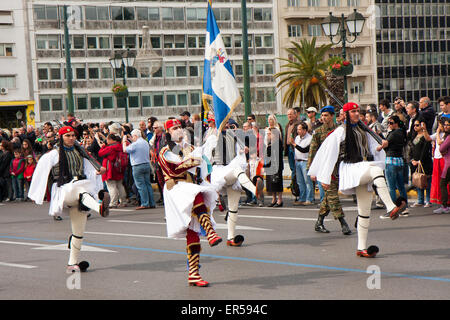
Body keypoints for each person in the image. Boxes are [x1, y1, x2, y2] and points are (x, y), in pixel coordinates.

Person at [308, 102, 406, 258]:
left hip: (362, 166)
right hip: (350, 168)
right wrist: (324, 176)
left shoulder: (363, 130)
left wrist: (381, 146)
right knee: (375, 170)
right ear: (346, 114)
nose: (356, 113)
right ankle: (390, 207)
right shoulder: (340, 131)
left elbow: (371, 147)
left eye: (357, 111)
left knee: (364, 211)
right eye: (353, 111)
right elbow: (328, 153)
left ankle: (361, 248)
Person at [28, 126, 110, 273]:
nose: (71, 138)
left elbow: (88, 171)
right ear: (61, 137)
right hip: (64, 189)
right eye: (67, 136)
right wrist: (37, 194)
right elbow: (41, 171)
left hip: (80, 187)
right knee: (79, 190)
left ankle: (72, 264)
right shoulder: (53, 154)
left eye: (73, 135)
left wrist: (98, 172)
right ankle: (99, 208)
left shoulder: (80, 152)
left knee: (78, 231)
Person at [158, 119, 221, 287]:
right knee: (195, 194)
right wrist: (194, 159)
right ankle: (210, 232)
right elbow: (174, 169)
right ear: (168, 132)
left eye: (180, 127)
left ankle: (194, 274)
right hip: (176, 189)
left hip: (190, 188)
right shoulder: (165, 151)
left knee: (192, 232)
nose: (179, 130)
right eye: (175, 128)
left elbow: (202, 171)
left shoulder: (191, 148)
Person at [209, 120, 258, 247]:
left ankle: (231, 238)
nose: (228, 127)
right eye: (225, 125)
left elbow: (241, 155)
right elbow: (207, 155)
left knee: (233, 208)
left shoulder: (236, 138)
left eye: (230, 125)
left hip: (234, 176)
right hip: (220, 172)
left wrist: (243, 149)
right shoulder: (213, 137)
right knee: (237, 170)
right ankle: (255, 190)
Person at [308, 106, 352, 235]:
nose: (323, 118)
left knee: (328, 197)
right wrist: (312, 171)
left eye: (326, 115)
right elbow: (312, 151)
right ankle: (343, 223)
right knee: (332, 195)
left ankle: (319, 222)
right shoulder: (318, 132)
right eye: (322, 115)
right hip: (326, 169)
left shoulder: (340, 130)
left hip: (340, 167)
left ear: (332, 116)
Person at [376, 115, 408, 218]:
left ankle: (392, 209)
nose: (389, 125)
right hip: (399, 161)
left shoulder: (394, 133)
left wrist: (379, 147)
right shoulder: (402, 133)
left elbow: (385, 143)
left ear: (396, 123)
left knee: (391, 187)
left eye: (391, 123)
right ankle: (404, 207)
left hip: (391, 161)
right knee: (401, 186)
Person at [123, 128, 155, 210]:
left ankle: (145, 203)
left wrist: (124, 141)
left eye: (133, 137)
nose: (132, 138)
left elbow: (125, 150)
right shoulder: (145, 142)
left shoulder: (136, 144)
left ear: (135, 136)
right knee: (148, 184)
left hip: (137, 166)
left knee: (141, 185)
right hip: (146, 164)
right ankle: (151, 203)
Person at [98, 134, 127, 208]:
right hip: (119, 169)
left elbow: (100, 153)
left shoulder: (110, 147)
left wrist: (103, 147)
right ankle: (123, 201)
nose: (106, 141)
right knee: (120, 185)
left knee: (111, 186)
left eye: (107, 139)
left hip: (110, 169)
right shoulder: (120, 146)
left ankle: (113, 203)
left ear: (111, 140)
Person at [410, 119, 433, 208]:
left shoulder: (425, 136)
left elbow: (425, 149)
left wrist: (420, 160)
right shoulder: (415, 136)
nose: (415, 127)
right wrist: (412, 159)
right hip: (415, 162)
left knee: (426, 181)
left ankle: (428, 200)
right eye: (414, 125)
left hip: (425, 162)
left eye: (417, 125)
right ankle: (420, 200)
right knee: (418, 180)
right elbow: (411, 149)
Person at [292, 122, 314, 205]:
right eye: (297, 129)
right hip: (297, 161)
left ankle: (309, 198)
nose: (298, 131)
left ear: (305, 130)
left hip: (305, 161)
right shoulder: (297, 137)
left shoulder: (310, 138)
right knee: (300, 181)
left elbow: (304, 149)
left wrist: (294, 144)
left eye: (300, 129)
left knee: (307, 181)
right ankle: (302, 198)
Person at [430, 118, 448, 207]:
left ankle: (445, 204)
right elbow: (428, 138)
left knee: (444, 183)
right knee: (441, 183)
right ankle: (443, 204)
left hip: (445, 161)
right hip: (441, 160)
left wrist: (437, 133)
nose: (440, 127)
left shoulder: (447, 136)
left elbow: (440, 143)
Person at [264, 126, 284, 207]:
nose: (268, 135)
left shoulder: (278, 143)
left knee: (277, 182)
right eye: (268, 134)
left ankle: (279, 199)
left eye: (270, 134)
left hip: (276, 165)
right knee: (271, 183)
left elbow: (275, 154)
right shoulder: (269, 143)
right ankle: (274, 198)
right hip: (270, 165)